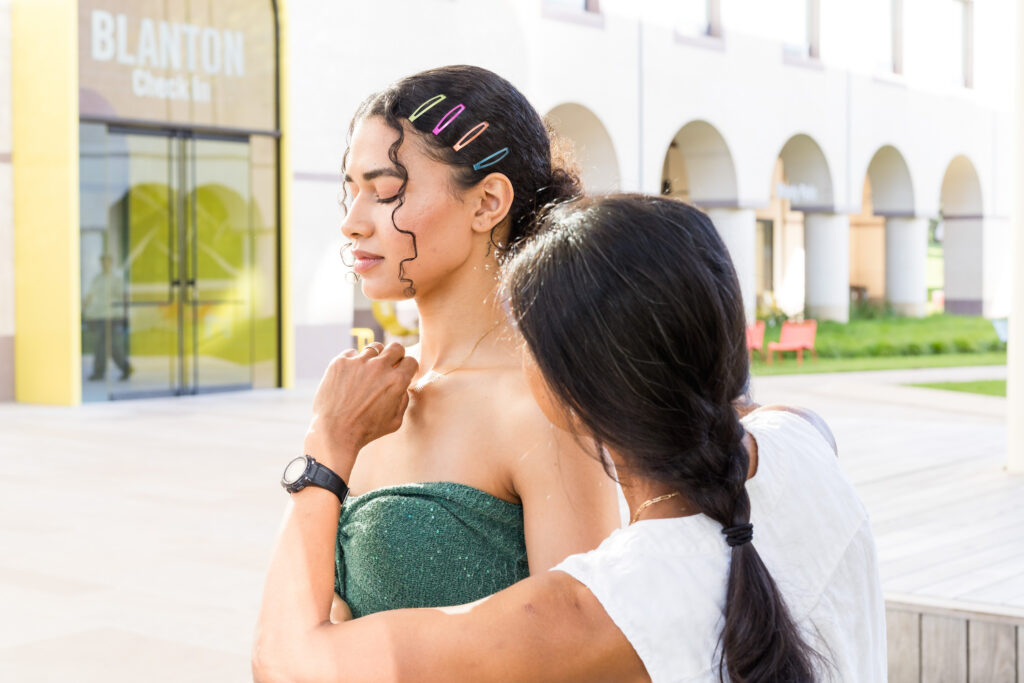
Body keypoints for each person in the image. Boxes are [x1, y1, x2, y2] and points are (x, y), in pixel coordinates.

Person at [253, 195, 886, 682]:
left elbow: (286, 660)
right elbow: (760, 412)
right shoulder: (802, 444)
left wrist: (325, 451)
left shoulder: (594, 609)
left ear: (572, 391)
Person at [326, 65, 621, 620]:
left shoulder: (544, 406)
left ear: (487, 203)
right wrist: (328, 444)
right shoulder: (368, 396)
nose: (353, 223)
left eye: (385, 191)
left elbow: (582, 651)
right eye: (351, 192)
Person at [83, 254, 132, 381]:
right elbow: (90, 296)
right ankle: (120, 368)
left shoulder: (117, 279)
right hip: (98, 315)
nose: (104, 264)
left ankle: (118, 369)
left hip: (112, 316)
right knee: (104, 345)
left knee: (106, 344)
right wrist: (82, 310)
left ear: (111, 263)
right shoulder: (97, 279)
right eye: (102, 262)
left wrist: (126, 315)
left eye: (107, 261)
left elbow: (123, 296)